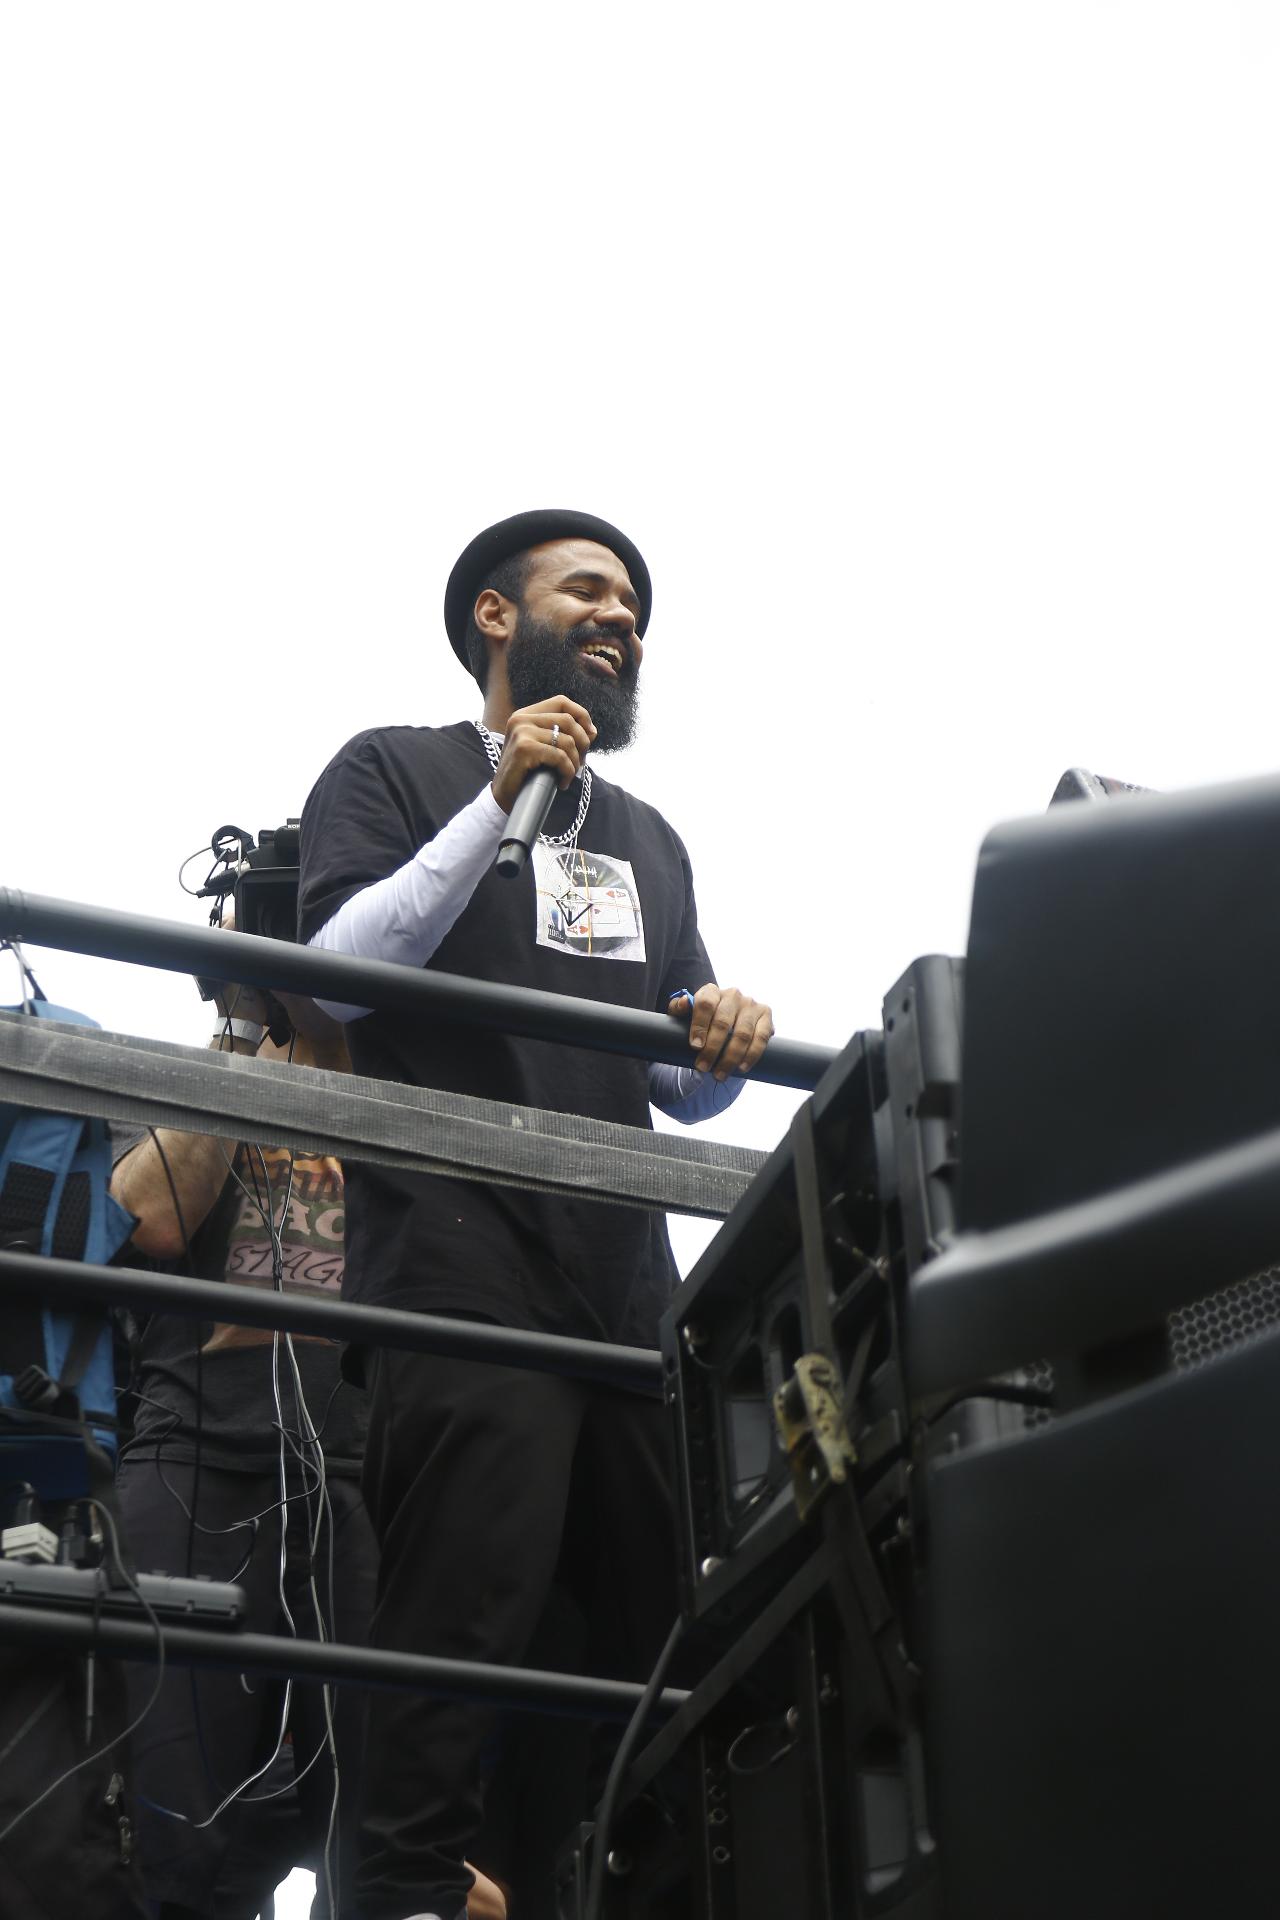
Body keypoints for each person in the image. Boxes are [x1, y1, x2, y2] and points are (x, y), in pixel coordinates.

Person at [296, 508, 774, 1920]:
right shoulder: (392, 767)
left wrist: (721, 1032)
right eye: (589, 590)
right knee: (458, 1617)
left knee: (665, 1638)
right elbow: (335, 975)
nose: (622, 617)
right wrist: (496, 792)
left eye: (634, 605)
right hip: (458, 1259)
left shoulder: (647, 838)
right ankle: (403, 1892)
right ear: (497, 616)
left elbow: (677, 1083)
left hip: (624, 1294)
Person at [109, 972, 376, 1920]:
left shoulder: (403, 1076)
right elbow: (152, 1216)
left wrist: (344, 1021)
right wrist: (240, 1028)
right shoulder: (192, 1071)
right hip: (193, 1460)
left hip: (362, 1476)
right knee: (171, 1828)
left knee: (376, 1830)